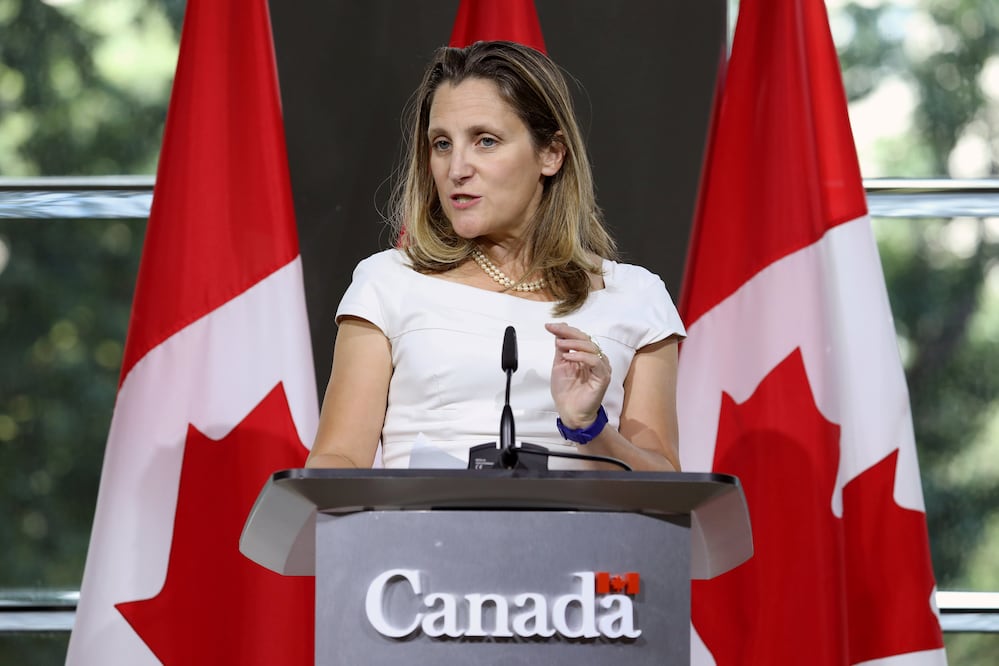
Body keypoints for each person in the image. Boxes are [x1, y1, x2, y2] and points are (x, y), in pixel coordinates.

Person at [306, 41, 684, 472]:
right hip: (419, 535)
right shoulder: (386, 282)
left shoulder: (636, 296)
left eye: (485, 141)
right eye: (442, 143)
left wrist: (589, 429)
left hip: (582, 538)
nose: (456, 168)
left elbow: (666, 489)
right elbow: (337, 461)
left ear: (551, 153)